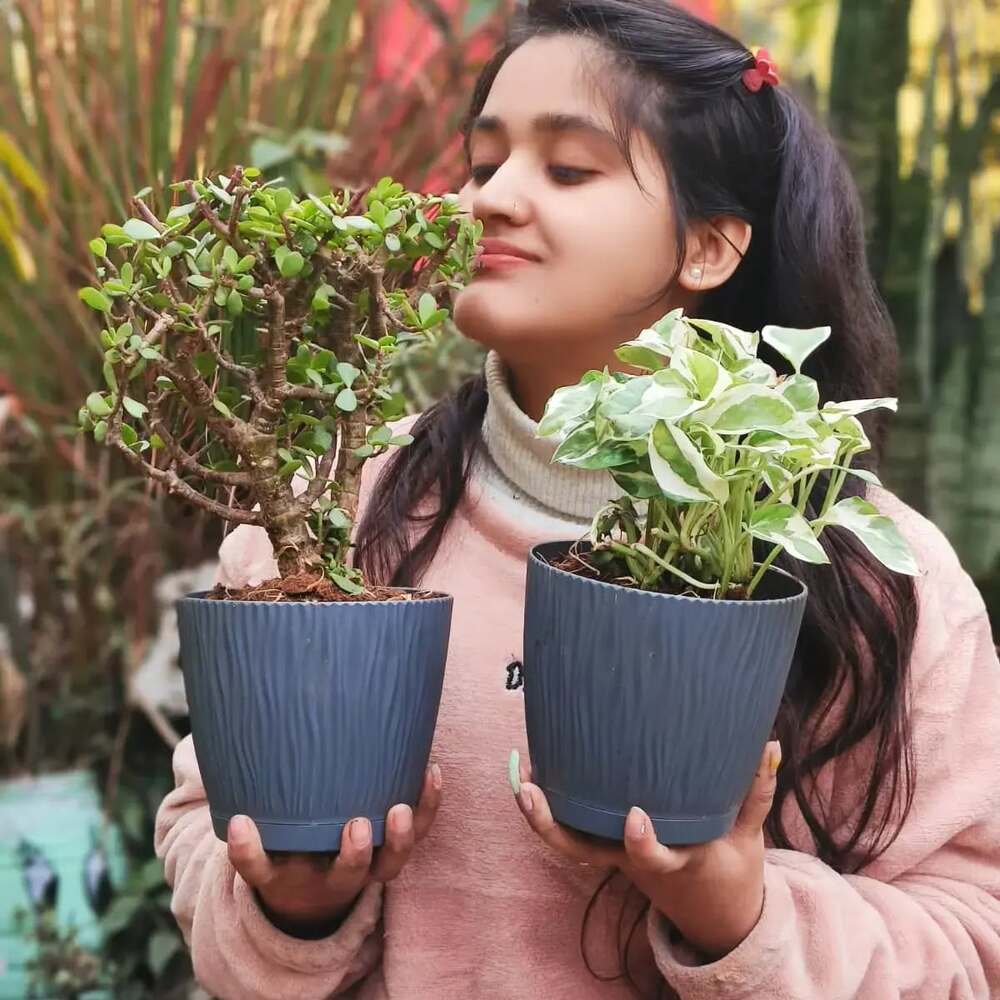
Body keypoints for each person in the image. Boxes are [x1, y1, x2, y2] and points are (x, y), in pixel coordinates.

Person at [154, 1, 1000, 997]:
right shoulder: (339, 513)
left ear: (708, 247)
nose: (487, 201)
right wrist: (293, 905)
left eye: (566, 168)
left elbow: (971, 940)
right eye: (480, 164)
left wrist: (742, 915)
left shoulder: (872, 572)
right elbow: (202, 829)